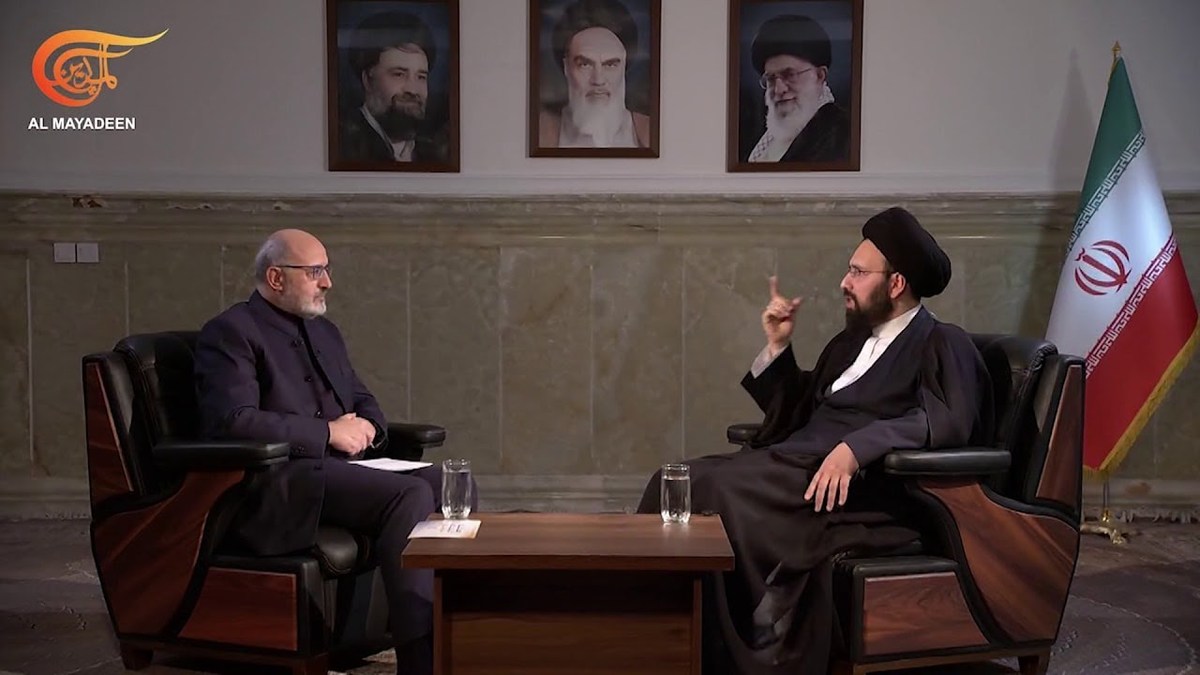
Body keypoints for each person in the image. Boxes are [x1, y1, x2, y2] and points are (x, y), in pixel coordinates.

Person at [636, 207, 994, 675]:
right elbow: (798, 411)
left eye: (858, 272)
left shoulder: (942, 342)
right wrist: (778, 346)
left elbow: (945, 422)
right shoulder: (848, 344)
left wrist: (856, 449)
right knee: (676, 480)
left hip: (857, 491)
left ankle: (724, 656)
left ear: (896, 284)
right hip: (794, 465)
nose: (845, 282)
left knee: (719, 495)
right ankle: (650, 635)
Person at [194, 229, 475, 675]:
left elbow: (361, 399)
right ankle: (420, 658)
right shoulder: (231, 332)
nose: (327, 282)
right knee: (410, 495)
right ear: (276, 277)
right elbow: (232, 421)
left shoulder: (324, 331)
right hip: (283, 479)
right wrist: (326, 433)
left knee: (448, 482)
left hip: (343, 471)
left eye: (326, 270)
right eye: (315, 271)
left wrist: (370, 429)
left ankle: (458, 631)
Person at [338, 11, 449, 163]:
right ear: (368, 80)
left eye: (421, 77)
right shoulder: (344, 144)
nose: (412, 90)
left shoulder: (434, 152)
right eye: (399, 74)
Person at [539, 0, 651, 148]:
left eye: (610, 65)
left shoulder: (649, 132)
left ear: (624, 66)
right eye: (585, 65)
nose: (598, 80)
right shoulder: (540, 132)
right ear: (566, 67)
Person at [745, 13, 850, 163]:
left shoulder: (844, 135)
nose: (778, 89)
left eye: (790, 75)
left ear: (820, 76)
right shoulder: (762, 136)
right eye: (771, 79)